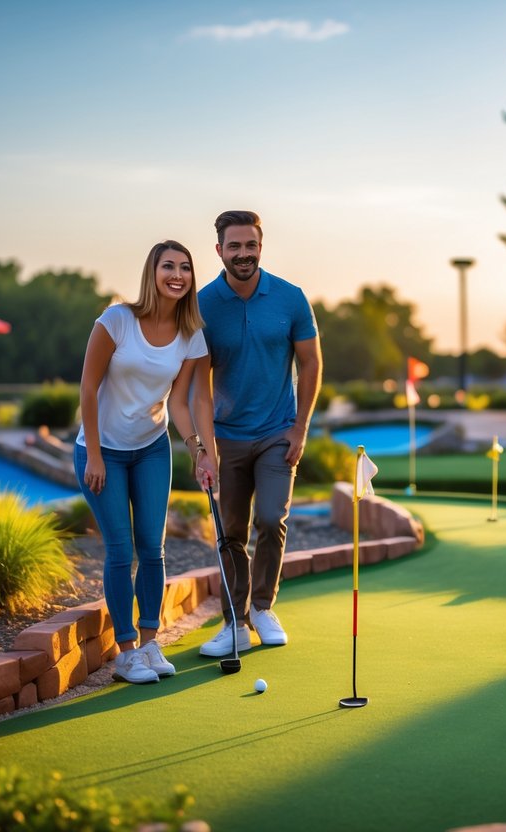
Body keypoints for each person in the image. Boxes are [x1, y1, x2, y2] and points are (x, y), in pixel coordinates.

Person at [76, 240, 218, 684]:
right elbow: (87, 388)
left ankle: (151, 641)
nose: (177, 275)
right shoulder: (116, 320)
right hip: (103, 451)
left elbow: (180, 402)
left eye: (185, 268)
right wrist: (95, 454)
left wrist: (198, 450)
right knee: (120, 551)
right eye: (168, 266)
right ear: (152, 273)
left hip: (152, 448)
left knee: (152, 549)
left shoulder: (192, 333)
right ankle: (126, 653)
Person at [196, 210, 322, 657]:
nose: (243, 254)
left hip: (276, 432)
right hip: (226, 437)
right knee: (231, 530)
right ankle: (235, 622)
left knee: (271, 518)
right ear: (219, 251)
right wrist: (203, 447)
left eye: (250, 245)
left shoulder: (290, 298)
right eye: (234, 246)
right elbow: (197, 383)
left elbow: (310, 362)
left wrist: (300, 427)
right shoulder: (203, 304)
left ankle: (264, 608)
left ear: (260, 247)